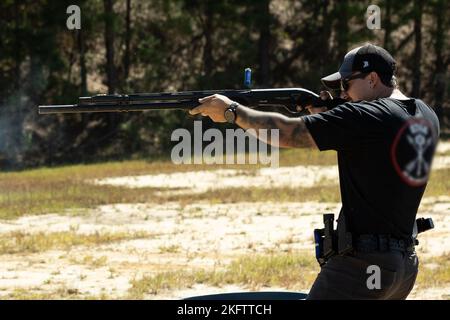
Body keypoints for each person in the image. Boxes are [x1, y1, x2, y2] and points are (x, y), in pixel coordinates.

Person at [189, 43, 440, 299]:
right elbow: (373, 148)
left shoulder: (365, 116)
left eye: (346, 85)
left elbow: (287, 133)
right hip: (404, 265)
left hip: (362, 265)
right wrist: (327, 117)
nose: (343, 94)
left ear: (372, 79)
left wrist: (233, 112)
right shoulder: (424, 113)